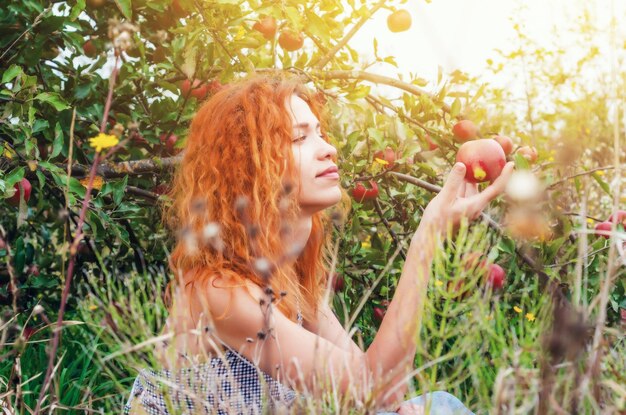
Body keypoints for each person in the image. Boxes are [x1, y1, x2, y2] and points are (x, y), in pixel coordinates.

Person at [124, 74, 514, 414]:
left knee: (436, 406)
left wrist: (397, 405)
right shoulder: (219, 291)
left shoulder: (290, 269)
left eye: (320, 133)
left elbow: (369, 380)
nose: (328, 148)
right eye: (299, 137)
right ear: (248, 167)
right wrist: (428, 235)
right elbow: (373, 388)